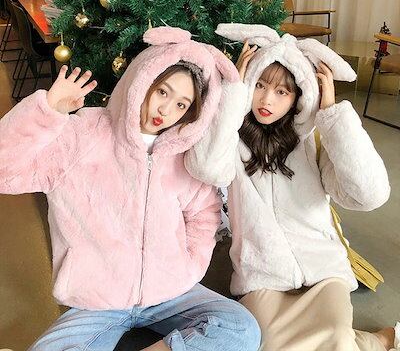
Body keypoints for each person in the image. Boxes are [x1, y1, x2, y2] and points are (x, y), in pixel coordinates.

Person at [0, 26, 261, 351]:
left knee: (241, 328)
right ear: (143, 80)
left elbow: (204, 212)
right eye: (163, 92)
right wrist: (49, 110)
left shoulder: (182, 150)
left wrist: (190, 263)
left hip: (170, 292)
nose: (166, 110)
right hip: (97, 301)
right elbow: (6, 170)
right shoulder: (84, 134)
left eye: (181, 105)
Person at [185, 23, 399, 351]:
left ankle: (356, 339)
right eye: (259, 85)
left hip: (322, 270)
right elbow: (205, 168)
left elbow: (369, 194)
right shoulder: (231, 138)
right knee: (275, 346)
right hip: (262, 276)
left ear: (299, 95)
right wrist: (233, 96)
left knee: (336, 338)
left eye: (282, 92)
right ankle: (376, 341)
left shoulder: (313, 141)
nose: (266, 100)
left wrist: (333, 115)